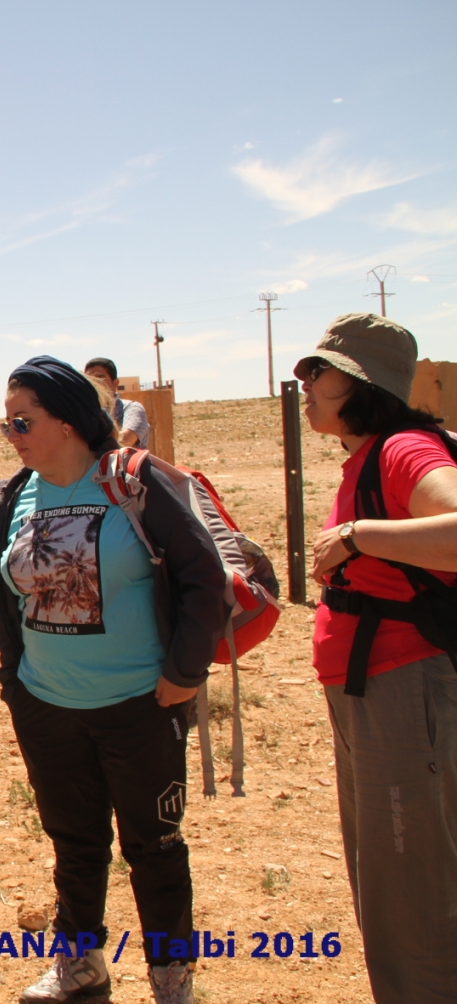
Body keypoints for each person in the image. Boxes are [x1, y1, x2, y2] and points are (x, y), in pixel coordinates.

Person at [0, 357, 225, 1004]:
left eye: (21, 421)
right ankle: (80, 965)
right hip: (49, 706)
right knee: (75, 842)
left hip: (141, 704)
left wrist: (183, 673)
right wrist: (18, 684)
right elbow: (0, 594)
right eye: (6, 423)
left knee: (155, 847)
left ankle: (171, 979)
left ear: (65, 421)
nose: (10, 434)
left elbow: (208, 580)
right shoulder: (18, 495)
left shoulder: (133, 484)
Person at [295, 313, 457, 1004]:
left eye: (318, 373)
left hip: (404, 695)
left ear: (361, 383)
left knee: (409, 891)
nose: (304, 385)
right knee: (391, 883)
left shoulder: (404, 452)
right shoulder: (372, 455)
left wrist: (358, 536)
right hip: (379, 695)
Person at [84, 357, 149, 448]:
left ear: (115, 383)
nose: (95, 383)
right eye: (90, 379)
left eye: (100, 378)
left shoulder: (131, 409)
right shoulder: (84, 412)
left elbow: (125, 441)